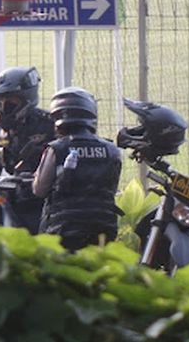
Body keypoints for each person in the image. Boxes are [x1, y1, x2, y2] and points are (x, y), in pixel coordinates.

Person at [33, 87, 123, 252]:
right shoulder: (112, 150)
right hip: (104, 227)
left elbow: (39, 189)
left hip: (64, 229)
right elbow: (112, 187)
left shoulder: (56, 149)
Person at [0, 66, 56, 234]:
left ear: (26, 100)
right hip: (14, 196)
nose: (2, 109)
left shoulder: (49, 125)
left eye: (9, 104)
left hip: (43, 200)